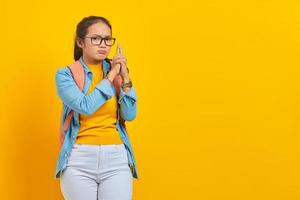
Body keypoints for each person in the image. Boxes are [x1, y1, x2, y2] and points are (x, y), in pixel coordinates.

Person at [54, 15, 139, 200]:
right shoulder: (65, 75)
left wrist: (125, 77)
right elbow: (85, 106)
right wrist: (110, 78)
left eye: (107, 39)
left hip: (116, 157)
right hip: (79, 159)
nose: (103, 44)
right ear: (80, 42)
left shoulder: (115, 71)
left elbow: (130, 114)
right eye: (96, 38)